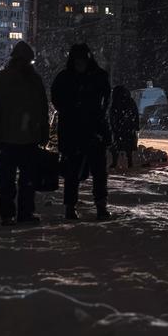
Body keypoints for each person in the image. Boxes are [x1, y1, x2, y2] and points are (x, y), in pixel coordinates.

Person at [0, 41, 49, 225]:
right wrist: (43, 132)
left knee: (6, 181)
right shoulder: (34, 81)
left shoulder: (1, 79)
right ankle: (24, 213)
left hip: (5, 140)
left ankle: (8, 215)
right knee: (27, 181)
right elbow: (42, 110)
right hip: (28, 139)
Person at [51, 43, 113, 221]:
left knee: (95, 172)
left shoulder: (70, 78)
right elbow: (57, 100)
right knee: (75, 172)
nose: (80, 64)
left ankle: (98, 206)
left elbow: (105, 101)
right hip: (79, 131)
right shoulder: (87, 77)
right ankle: (74, 207)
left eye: (82, 60)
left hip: (87, 130)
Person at [108, 85, 141, 170]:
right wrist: (136, 125)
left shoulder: (116, 102)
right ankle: (129, 161)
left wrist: (113, 126)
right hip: (128, 126)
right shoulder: (129, 101)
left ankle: (116, 162)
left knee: (117, 145)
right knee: (127, 146)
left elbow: (112, 115)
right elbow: (135, 113)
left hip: (120, 127)